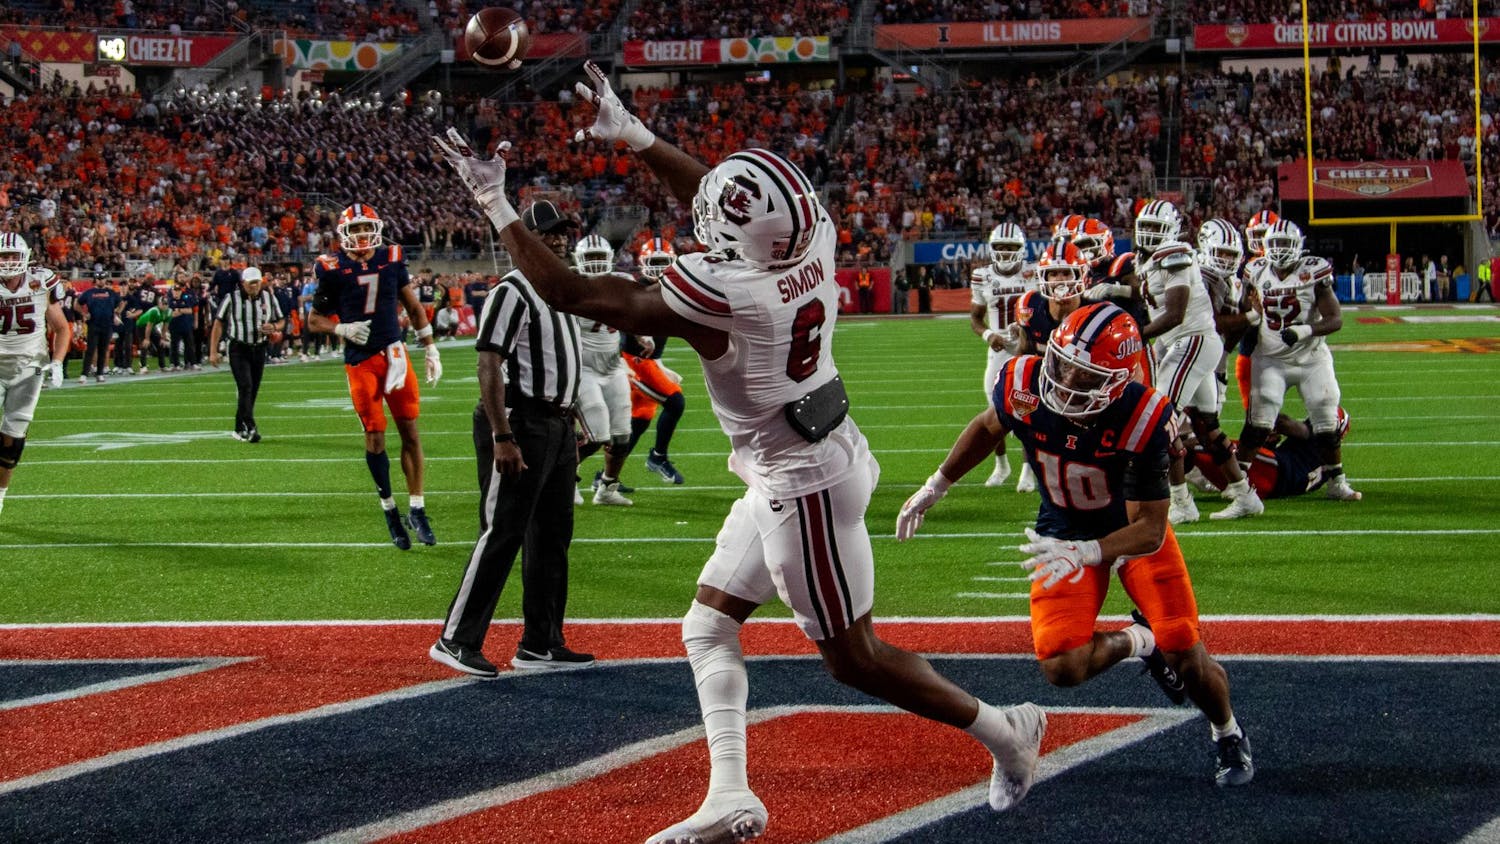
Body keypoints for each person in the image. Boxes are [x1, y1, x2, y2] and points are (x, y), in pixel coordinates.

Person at [433, 61, 1046, 841]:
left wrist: (493, 201)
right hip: (803, 456)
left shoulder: (731, 294)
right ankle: (731, 795)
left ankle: (1005, 731)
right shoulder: (812, 236)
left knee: (853, 658)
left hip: (804, 484)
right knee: (707, 625)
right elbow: (721, 197)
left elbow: (579, 295)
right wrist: (640, 138)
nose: (706, 216)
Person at [899, 302, 1254, 790]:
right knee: (1061, 666)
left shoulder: (1143, 414)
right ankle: (1138, 641)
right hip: (1062, 527)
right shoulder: (1024, 382)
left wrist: (1089, 553)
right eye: (1063, 361)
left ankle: (1226, 731)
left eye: (1085, 374)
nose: (1066, 377)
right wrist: (938, 483)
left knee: (1185, 653)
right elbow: (988, 426)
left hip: (1129, 538)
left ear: (1117, 378)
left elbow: (1150, 527)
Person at [435, 198, 594, 677]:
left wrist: (577, 418)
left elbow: (564, 360)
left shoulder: (560, 289)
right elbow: (489, 362)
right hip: (520, 422)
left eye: (564, 230)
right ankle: (456, 638)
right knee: (502, 529)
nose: (561, 238)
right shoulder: (514, 290)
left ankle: (541, 643)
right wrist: (502, 433)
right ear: (525, 238)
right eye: (550, 232)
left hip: (558, 423)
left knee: (552, 536)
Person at [307, 204, 443, 550]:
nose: (363, 235)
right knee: (375, 436)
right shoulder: (331, 267)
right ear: (343, 233)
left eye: (368, 227)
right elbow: (314, 320)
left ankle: (417, 508)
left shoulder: (392, 257)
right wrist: (341, 327)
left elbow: (412, 306)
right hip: (361, 360)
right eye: (356, 229)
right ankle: (389, 509)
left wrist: (429, 347)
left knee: (411, 431)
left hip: (395, 355)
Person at [1133, 202, 1261, 523]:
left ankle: (1180, 502)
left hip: (1191, 341)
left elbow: (1174, 313)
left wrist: (1138, 335)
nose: (1149, 234)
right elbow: (1153, 295)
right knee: (1207, 426)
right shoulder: (1150, 259)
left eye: (1156, 228)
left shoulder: (1175, 254)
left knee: (1161, 421)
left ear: (1173, 231)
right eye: (1145, 226)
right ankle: (1245, 496)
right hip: (1194, 344)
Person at [1239, 220, 1360, 502]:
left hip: (1311, 358)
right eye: (1275, 244)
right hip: (1270, 358)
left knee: (1326, 421)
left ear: (1298, 246)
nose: (1280, 251)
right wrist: (1250, 312)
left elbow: (1335, 319)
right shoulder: (1255, 271)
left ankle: (1336, 481)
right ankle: (1239, 485)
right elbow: (1246, 306)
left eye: (1285, 244)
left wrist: (1305, 330)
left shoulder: (1313, 271)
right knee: (1258, 423)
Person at [0, 233, 70, 516]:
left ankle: (0, 496)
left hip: (29, 368)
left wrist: (58, 362)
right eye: (3, 256)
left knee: (11, 442)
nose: (7, 262)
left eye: (12, 256)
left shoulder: (41, 281)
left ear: (25, 257)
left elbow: (62, 327)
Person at [571, 233, 636, 506]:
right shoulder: (568, 283)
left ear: (610, 259)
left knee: (622, 436)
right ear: (578, 260)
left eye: (600, 258)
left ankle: (607, 489)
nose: (596, 264)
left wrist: (640, 334)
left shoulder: (623, 283)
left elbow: (634, 312)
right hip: (584, 368)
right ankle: (564, 478)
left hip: (612, 366)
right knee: (595, 435)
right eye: (590, 258)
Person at [969, 222, 1033, 488]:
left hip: (1027, 349)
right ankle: (1002, 465)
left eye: (1011, 247)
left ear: (1021, 249)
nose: (1006, 252)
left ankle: (1028, 470)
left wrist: (1029, 331)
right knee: (994, 411)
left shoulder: (1034, 274)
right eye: (1001, 247)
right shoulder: (982, 276)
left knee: (1029, 409)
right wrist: (988, 335)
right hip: (998, 351)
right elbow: (975, 319)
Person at [625, 236, 687, 485]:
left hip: (646, 363)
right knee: (675, 402)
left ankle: (607, 478)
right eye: (655, 261)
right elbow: (622, 326)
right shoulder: (635, 289)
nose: (659, 267)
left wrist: (660, 364)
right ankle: (658, 457)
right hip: (633, 362)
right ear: (642, 262)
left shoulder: (671, 290)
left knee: (638, 421)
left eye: (664, 262)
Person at [1187, 408, 1352, 500]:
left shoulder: (1314, 435)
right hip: (1268, 489)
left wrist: (1264, 409)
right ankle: (1191, 475)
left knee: (1202, 445)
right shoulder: (1328, 469)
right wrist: (1269, 444)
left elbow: (1283, 422)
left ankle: (1179, 482)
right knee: (1196, 451)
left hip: (1274, 470)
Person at [208, 267, 284, 442]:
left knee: (252, 390)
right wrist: (213, 352)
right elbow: (218, 323)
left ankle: (238, 427)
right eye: (251, 283)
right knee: (245, 386)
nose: (255, 286)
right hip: (238, 347)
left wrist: (272, 327)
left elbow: (281, 320)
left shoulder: (268, 297)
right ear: (243, 283)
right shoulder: (231, 298)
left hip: (259, 347)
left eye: (257, 282)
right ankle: (250, 426)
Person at [75, 277, 120, 383]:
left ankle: (100, 373)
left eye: (102, 278)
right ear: (95, 281)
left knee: (103, 350)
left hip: (107, 324)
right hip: (94, 324)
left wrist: (116, 314)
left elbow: (120, 303)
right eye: (99, 279)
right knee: (90, 349)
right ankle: (84, 374)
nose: (101, 281)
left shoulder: (111, 292)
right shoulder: (89, 292)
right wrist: (84, 314)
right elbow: (77, 304)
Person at [167, 277, 201, 370]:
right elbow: (170, 313)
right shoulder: (170, 300)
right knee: (174, 345)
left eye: (178, 290)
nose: (176, 292)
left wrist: (179, 310)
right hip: (174, 325)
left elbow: (190, 310)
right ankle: (174, 364)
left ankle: (192, 362)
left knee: (189, 344)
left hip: (185, 324)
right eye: (175, 290)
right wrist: (181, 311)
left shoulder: (186, 297)